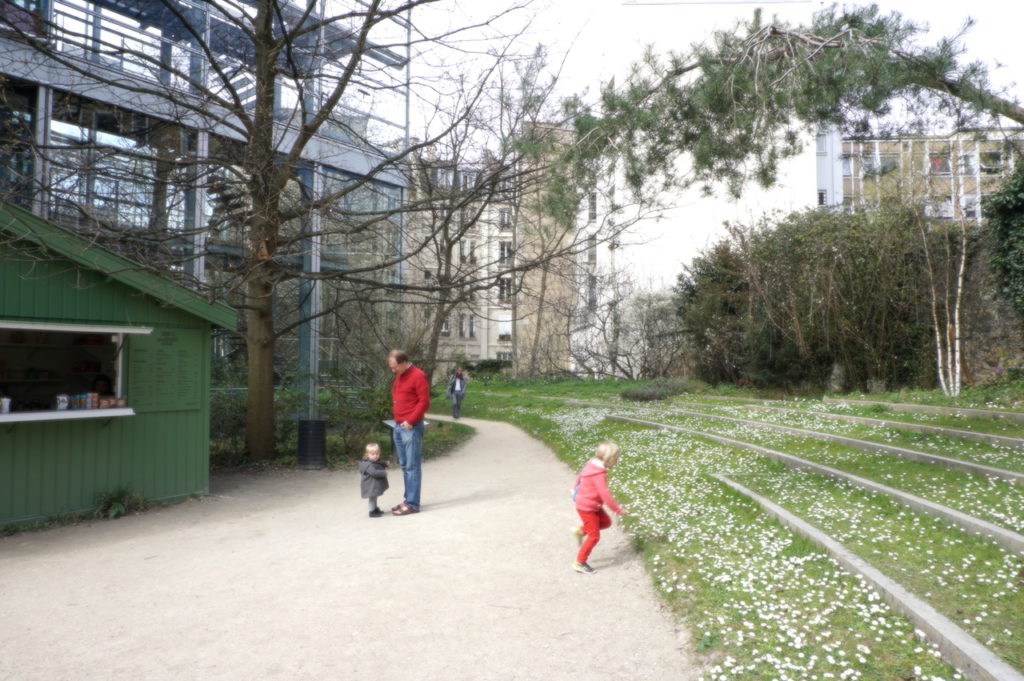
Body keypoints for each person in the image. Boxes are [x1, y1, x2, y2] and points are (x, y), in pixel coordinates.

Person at [572, 441, 627, 574]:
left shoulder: (592, 463)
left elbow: (580, 475)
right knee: (594, 536)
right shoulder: (599, 474)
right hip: (587, 507)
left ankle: (581, 531)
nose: (616, 462)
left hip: (591, 504)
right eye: (616, 459)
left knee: (606, 522)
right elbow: (605, 494)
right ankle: (579, 562)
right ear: (609, 459)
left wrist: (574, 489)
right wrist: (617, 510)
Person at [387, 349, 430, 515]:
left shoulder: (418, 375)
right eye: (391, 367)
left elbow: (424, 402)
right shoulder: (400, 374)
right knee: (404, 465)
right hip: (398, 425)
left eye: (394, 367)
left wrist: (411, 420)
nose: (393, 370)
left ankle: (412, 504)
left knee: (412, 466)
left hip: (410, 427)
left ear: (403, 362)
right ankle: (408, 499)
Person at [359, 442, 389, 518]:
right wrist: (384, 473)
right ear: (367, 455)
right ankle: (372, 512)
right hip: (370, 485)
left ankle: (375, 509)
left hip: (373, 484)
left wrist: (385, 463)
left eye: (377, 454)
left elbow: (378, 462)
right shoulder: (367, 464)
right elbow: (374, 472)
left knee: (375, 497)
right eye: (373, 454)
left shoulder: (373, 461)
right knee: (372, 498)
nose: (375, 456)